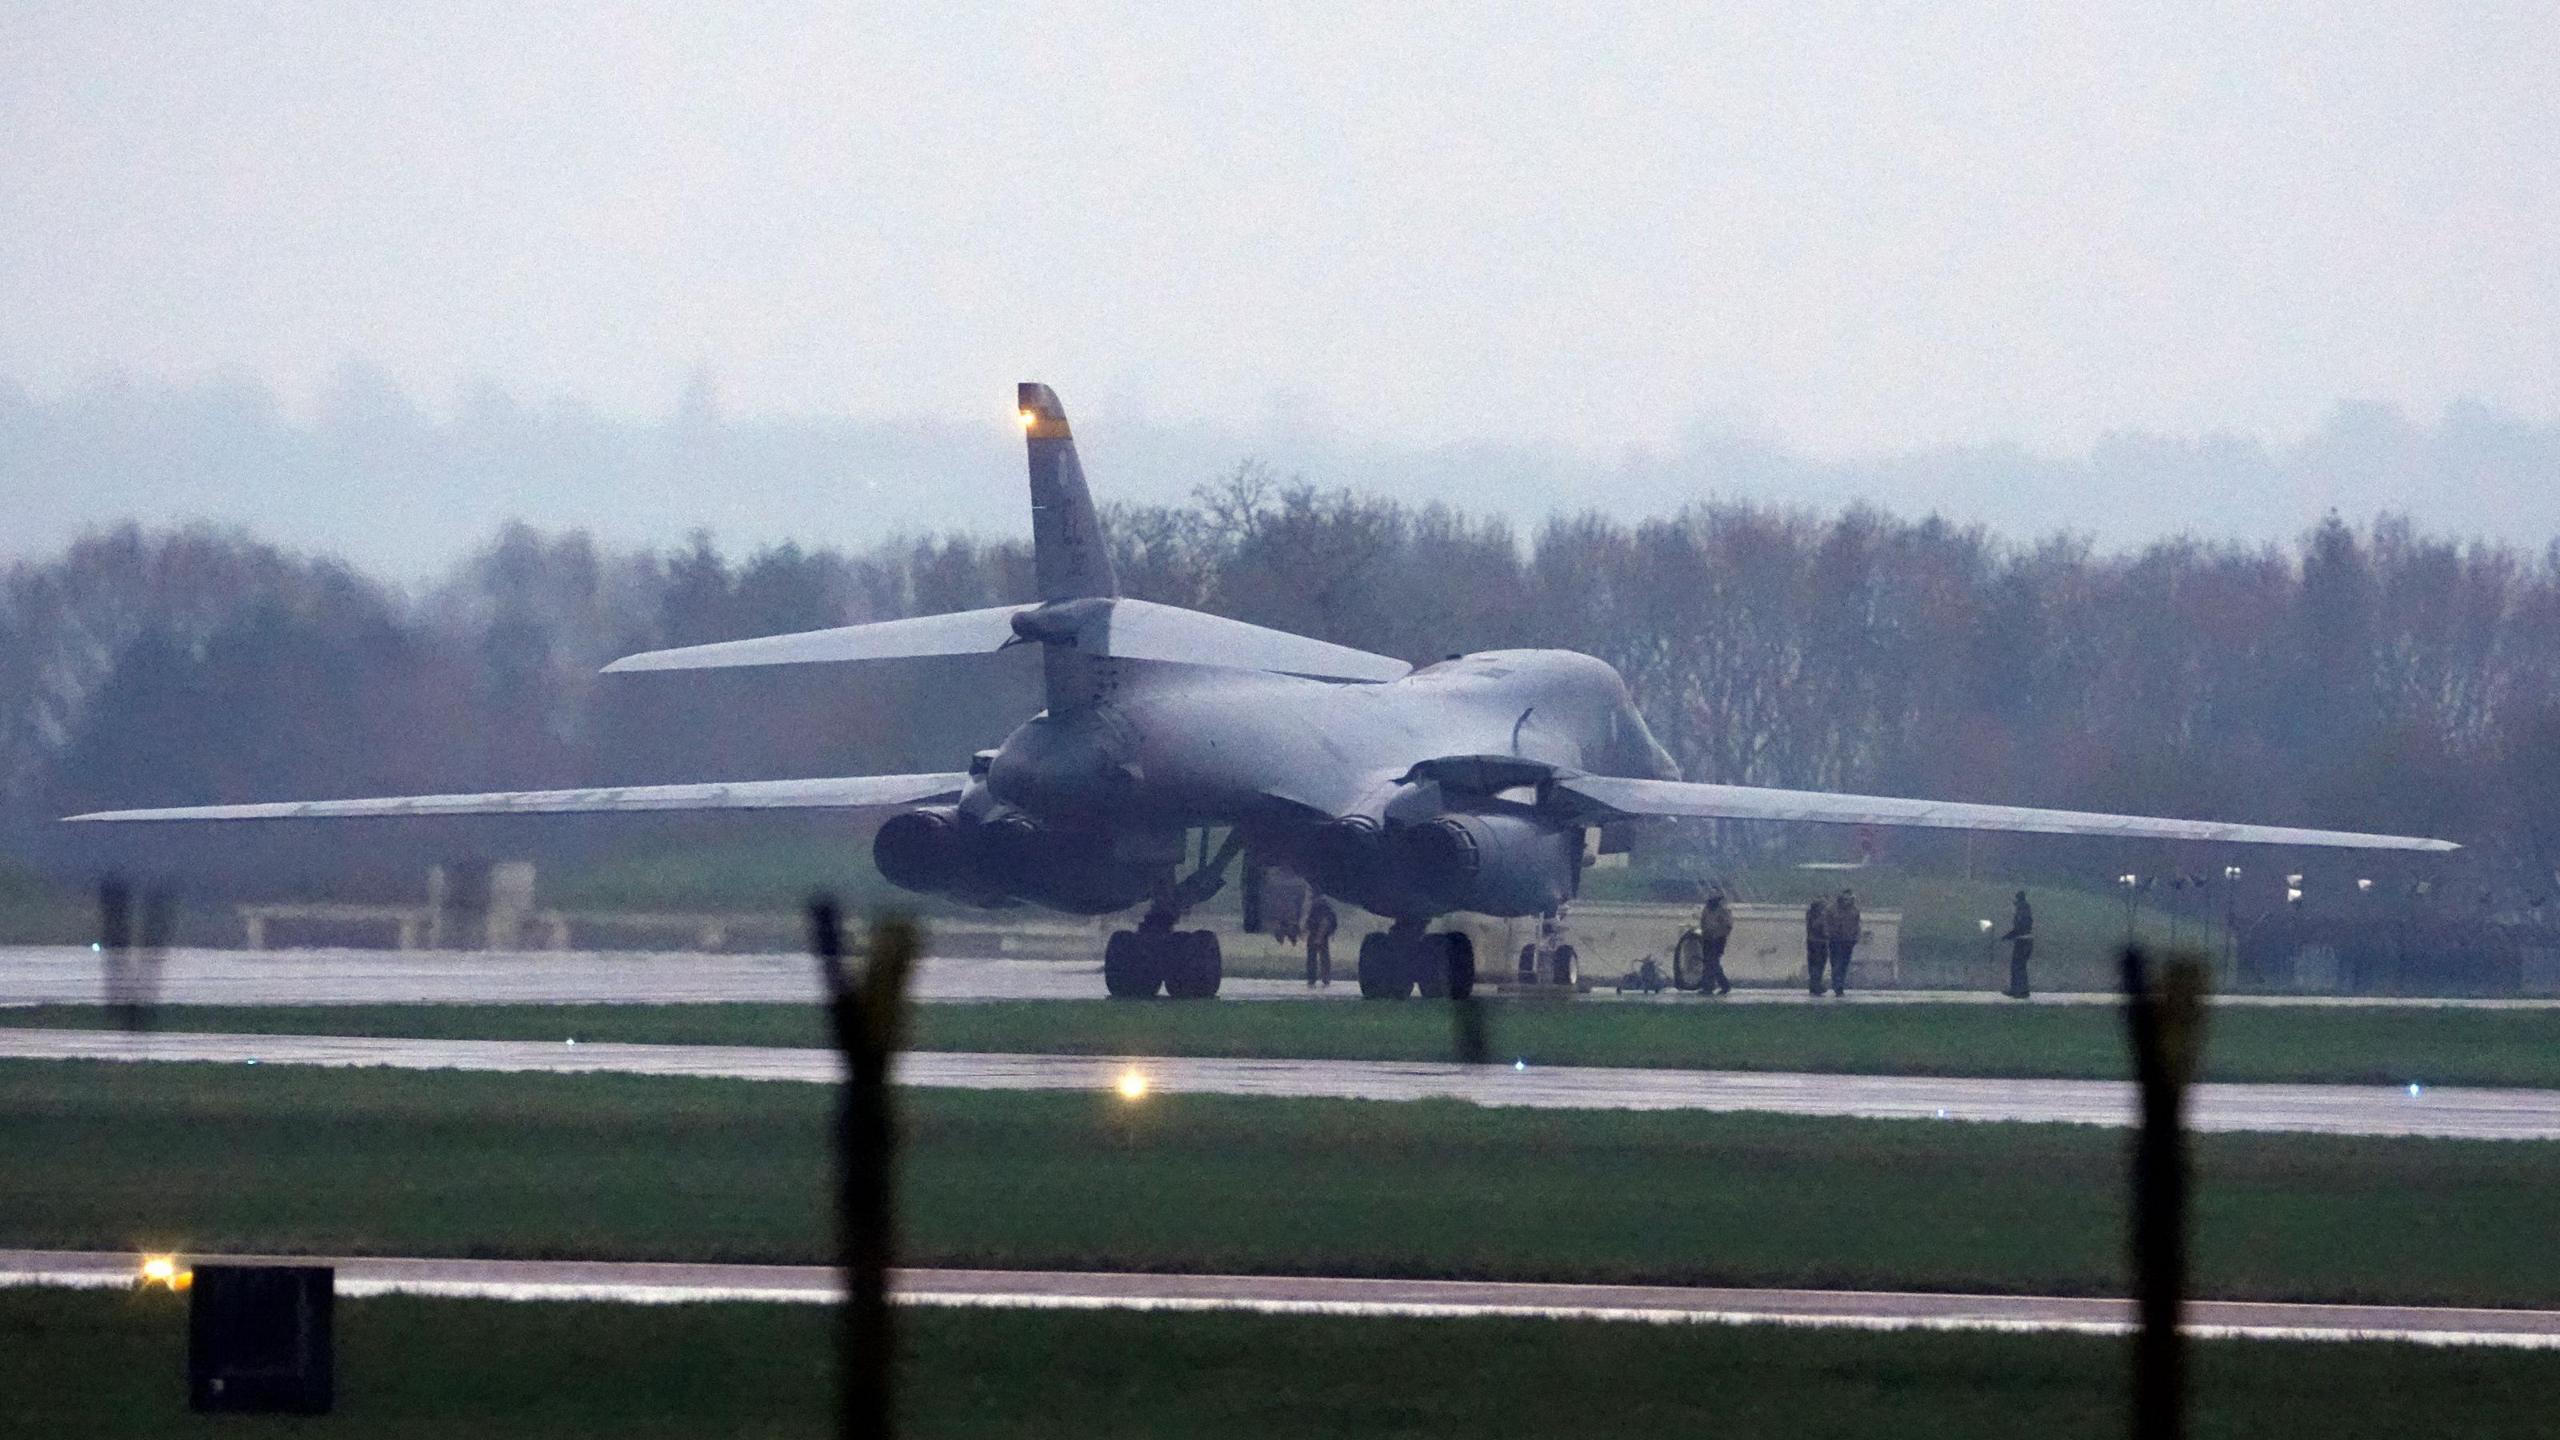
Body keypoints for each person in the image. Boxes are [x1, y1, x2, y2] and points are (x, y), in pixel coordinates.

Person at [1695, 891, 1735, 996]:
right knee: (1708, 963)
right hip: (1707, 939)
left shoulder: (1723, 910)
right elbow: (1703, 923)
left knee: (1713, 962)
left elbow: (1728, 926)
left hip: (1718, 940)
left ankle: (1722, 985)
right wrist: (1704, 934)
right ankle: (1709, 986)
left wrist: (1719, 934)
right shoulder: (1706, 910)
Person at [1826, 889, 1862, 996]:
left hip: (1848, 941)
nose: (1847, 901)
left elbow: (1857, 925)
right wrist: (1830, 934)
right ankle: (1837, 984)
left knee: (1844, 964)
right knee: (1836, 963)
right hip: (1835, 940)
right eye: (1845, 899)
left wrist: (1856, 937)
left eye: (1849, 899)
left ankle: (1840, 983)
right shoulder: (1831, 909)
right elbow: (1827, 923)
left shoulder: (1855, 911)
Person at [2000, 890, 2035, 999]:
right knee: (2020, 966)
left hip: (2022, 941)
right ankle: (2022, 990)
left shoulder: (2021, 910)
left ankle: (2018, 991)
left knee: (2017, 966)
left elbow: (2019, 928)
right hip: (2027, 941)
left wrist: (2007, 937)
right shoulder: (2026, 909)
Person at [1304, 895, 1338, 987]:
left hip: (1318, 935)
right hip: (1320, 935)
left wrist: (1319, 938)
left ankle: (1314, 979)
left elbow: (1324, 923)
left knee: (1315, 958)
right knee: (1323, 958)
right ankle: (1323, 979)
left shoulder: (1318, 908)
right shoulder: (1325, 908)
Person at [1803, 895, 1832, 995]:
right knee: (1818, 965)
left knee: (1814, 965)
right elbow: (1823, 929)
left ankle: (1814, 985)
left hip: (1811, 942)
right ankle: (1816, 985)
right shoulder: (1820, 917)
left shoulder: (1809, 915)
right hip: (1819, 942)